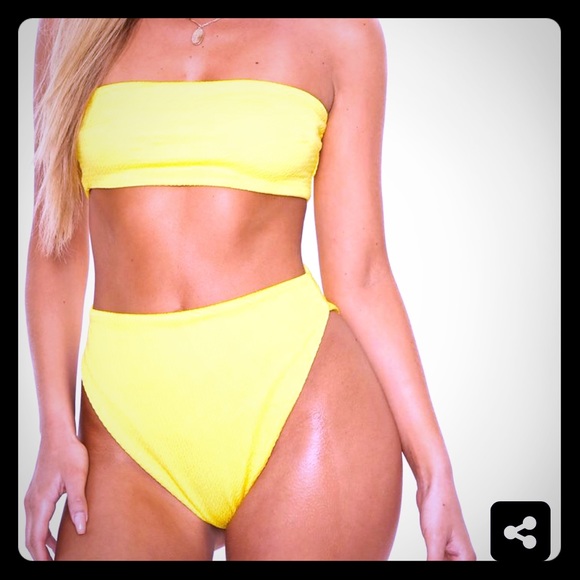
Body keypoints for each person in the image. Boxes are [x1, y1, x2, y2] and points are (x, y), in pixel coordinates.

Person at [23, 18, 476, 561]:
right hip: (123, 431)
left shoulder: (340, 34)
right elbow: (54, 242)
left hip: (301, 407)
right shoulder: (72, 30)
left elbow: (361, 272)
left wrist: (434, 471)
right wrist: (55, 428)